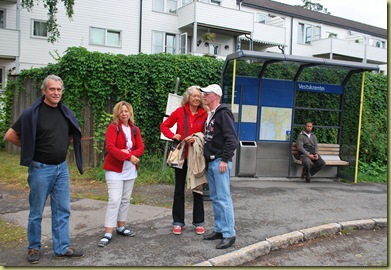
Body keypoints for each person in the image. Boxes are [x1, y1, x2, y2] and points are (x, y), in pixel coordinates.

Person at [3, 74, 84, 263]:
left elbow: (71, 135)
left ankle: (62, 248)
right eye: (52, 89)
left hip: (61, 169)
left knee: (62, 209)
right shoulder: (31, 113)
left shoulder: (65, 112)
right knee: (36, 211)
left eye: (59, 89)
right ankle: (33, 248)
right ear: (44, 91)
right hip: (40, 169)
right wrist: (31, 148)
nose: (56, 93)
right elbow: (9, 135)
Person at [160, 86, 208, 235]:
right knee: (179, 190)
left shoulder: (205, 114)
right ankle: (178, 222)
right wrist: (172, 135)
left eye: (198, 96)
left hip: (196, 158)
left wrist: (197, 138)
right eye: (193, 96)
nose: (196, 99)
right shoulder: (180, 112)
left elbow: (208, 134)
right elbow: (164, 125)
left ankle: (199, 222)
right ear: (187, 98)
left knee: (197, 189)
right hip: (181, 157)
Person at [98, 101, 144, 247]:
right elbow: (110, 148)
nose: (124, 113)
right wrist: (127, 156)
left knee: (125, 200)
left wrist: (130, 155)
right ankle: (108, 232)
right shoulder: (113, 128)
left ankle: (121, 227)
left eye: (126, 111)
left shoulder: (135, 129)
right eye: (121, 111)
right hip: (114, 171)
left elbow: (141, 147)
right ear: (117, 113)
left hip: (130, 171)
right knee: (114, 200)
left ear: (130, 113)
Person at [200, 84, 238, 249]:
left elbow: (232, 139)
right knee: (216, 198)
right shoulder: (212, 114)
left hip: (220, 161)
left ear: (215, 95)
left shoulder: (223, 114)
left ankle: (229, 234)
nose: (204, 96)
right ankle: (220, 229)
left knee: (223, 198)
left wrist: (225, 159)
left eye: (206, 94)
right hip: (212, 162)